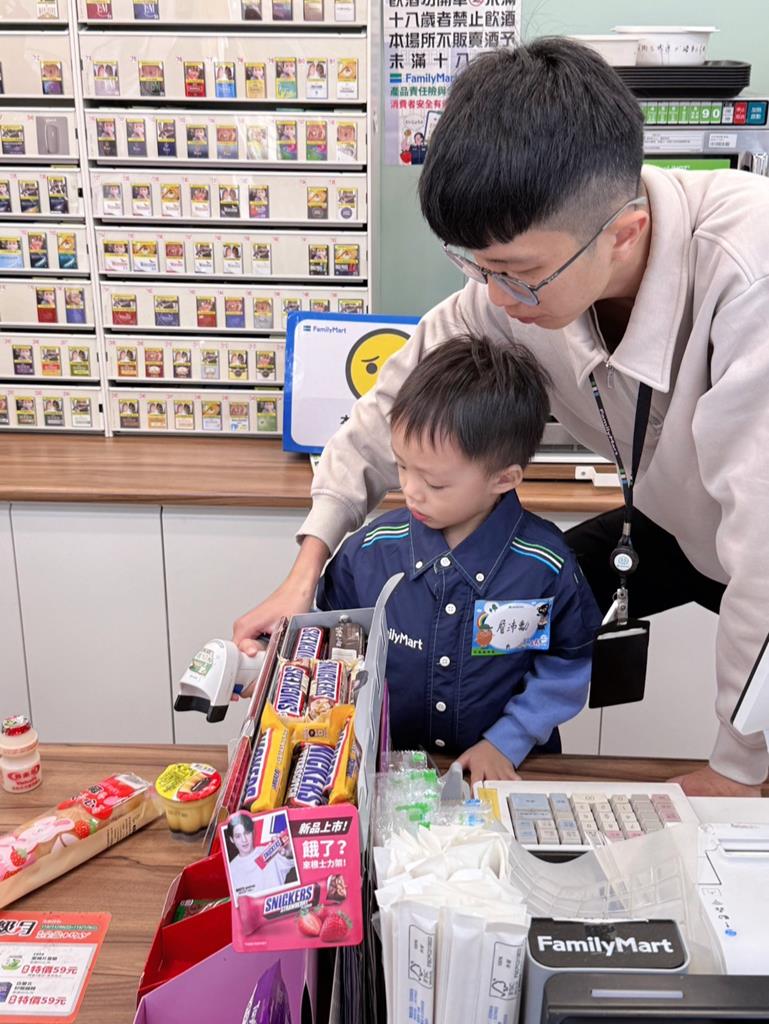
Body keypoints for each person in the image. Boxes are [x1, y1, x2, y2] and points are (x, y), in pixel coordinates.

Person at [234, 39, 769, 797]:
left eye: (518, 273)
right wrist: (305, 572)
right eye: (476, 266)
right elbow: (383, 412)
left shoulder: (749, 277)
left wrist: (738, 768)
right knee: (523, 586)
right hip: (673, 515)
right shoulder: (511, 286)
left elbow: (762, 556)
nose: (494, 298)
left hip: (755, 532)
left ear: (623, 233)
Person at [316, 336, 601, 783]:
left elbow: (566, 667)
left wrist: (506, 740)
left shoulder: (545, 566)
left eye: (434, 483)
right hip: (383, 774)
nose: (410, 490)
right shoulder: (370, 552)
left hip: (504, 772)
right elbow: (328, 648)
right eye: (402, 466)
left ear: (503, 479)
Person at [224, 812, 296, 897]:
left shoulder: (269, 852)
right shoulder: (231, 869)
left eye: (247, 833)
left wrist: (291, 852)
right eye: (238, 836)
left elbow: (289, 859)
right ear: (232, 839)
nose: (244, 840)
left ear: (253, 832)